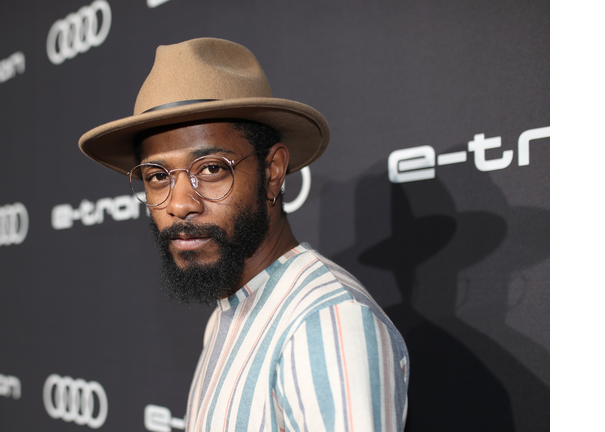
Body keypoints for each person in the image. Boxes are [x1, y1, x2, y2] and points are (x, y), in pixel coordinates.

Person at [79, 37, 409, 432]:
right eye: (156, 176)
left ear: (272, 172)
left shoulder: (325, 323)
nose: (179, 203)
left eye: (212, 168)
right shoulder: (231, 308)